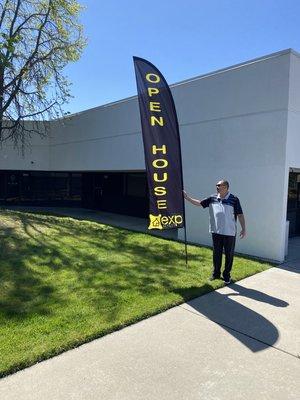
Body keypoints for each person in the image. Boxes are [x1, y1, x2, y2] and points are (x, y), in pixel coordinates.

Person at [183, 180, 246, 284]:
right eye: (216, 185)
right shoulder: (212, 198)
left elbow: (240, 214)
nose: (217, 187)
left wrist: (244, 228)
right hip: (216, 231)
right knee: (216, 253)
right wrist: (187, 197)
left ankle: (226, 275)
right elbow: (199, 203)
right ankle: (216, 274)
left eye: (219, 185)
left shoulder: (234, 199)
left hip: (229, 232)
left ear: (226, 187)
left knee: (229, 255)